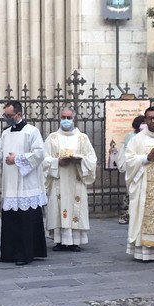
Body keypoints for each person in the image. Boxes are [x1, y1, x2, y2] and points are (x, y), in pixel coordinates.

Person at [0, 100, 47, 266]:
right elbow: (0, 153)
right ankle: (9, 253)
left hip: (26, 183)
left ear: (19, 114)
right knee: (11, 220)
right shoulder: (6, 133)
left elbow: (39, 154)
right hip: (10, 185)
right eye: (5, 115)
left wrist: (18, 158)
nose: (6, 118)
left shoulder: (32, 132)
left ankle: (25, 253)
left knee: (25, 220)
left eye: (9, 115)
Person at [43, 107, 97, 252]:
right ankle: (59, 241)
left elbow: (92, 158)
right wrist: (57, 162)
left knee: (75, 207)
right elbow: (44, 159)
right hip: (59, 179)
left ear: (73, 119)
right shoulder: (52, 138)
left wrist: (80, 160)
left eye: (68, 117)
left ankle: (74, 241)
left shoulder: (82, 138)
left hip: (76, 179)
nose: (66, 120)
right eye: (63, 117)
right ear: (59, 119)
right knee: (58, 207)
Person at [125, 106, 154, 261]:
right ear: (145, 120)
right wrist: (146, 158)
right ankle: (144, 252)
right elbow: (129, 161)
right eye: (150, 118)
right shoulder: (137, 139)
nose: (153, 120)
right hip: (144, 185)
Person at [117, 115, 145, 224]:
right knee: (130, 192)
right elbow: (128, 152)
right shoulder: (131, 136)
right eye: (142, 123)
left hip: (146, 166)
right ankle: (126, 215)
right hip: (134, 167)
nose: (144, 125)